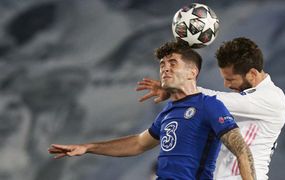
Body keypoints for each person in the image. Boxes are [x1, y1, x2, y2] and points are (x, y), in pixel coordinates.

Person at [48, 41, 256, 180]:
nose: (165, 68)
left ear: (193, 71)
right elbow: (138, 143)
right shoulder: (167, 113)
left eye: (173, 63)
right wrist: (88, 147)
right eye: (162, 64)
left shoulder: (208, 105)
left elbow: (242, 151)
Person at [136, 37, 285, 180]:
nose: (226, 85)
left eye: (230, 79)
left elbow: (211, 99)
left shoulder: (272, 98)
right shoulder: (247, 98)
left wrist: (175, 87)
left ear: (252, 74)